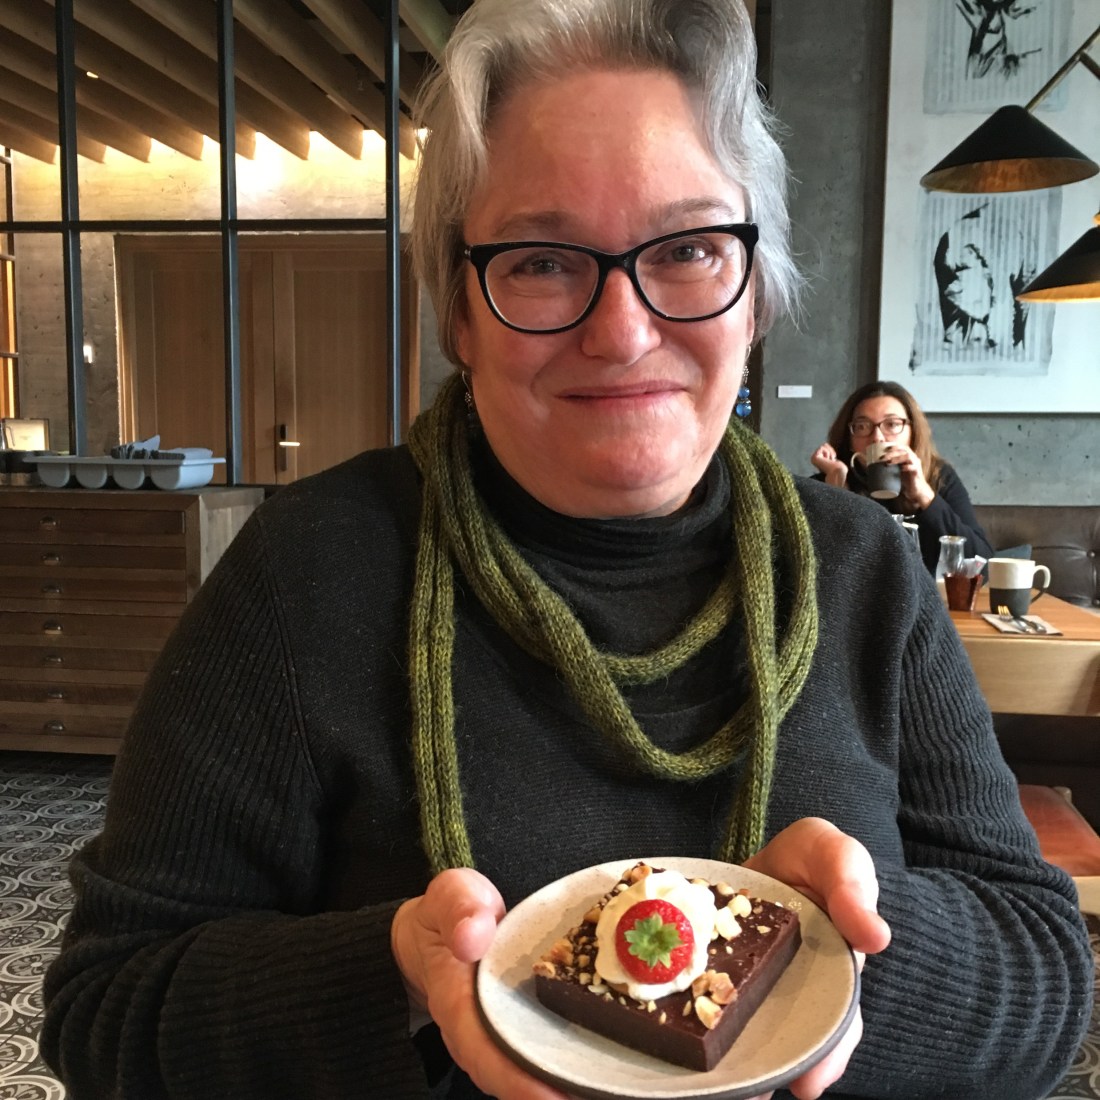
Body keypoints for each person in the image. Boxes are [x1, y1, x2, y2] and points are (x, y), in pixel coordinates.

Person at [42, 1, 1090, 1098]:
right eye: (542, 260)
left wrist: (833, 949)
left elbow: (1042, 977)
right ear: (458, 310)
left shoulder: (863, 570)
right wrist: (392, 976)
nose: (622, 330)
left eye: (687, 248)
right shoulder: (300, 577)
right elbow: (108, 1007)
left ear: (755, 294)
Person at [810, 380, 994, 574]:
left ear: (912, 433)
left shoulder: (938, 477)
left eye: (891, 424)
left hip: (929, 594)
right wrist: (837, 494)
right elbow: (814, 573)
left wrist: (925, 496)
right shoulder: (828, 481)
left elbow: (982, 565)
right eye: (862, 426)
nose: (878, 438)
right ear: (849, 438)